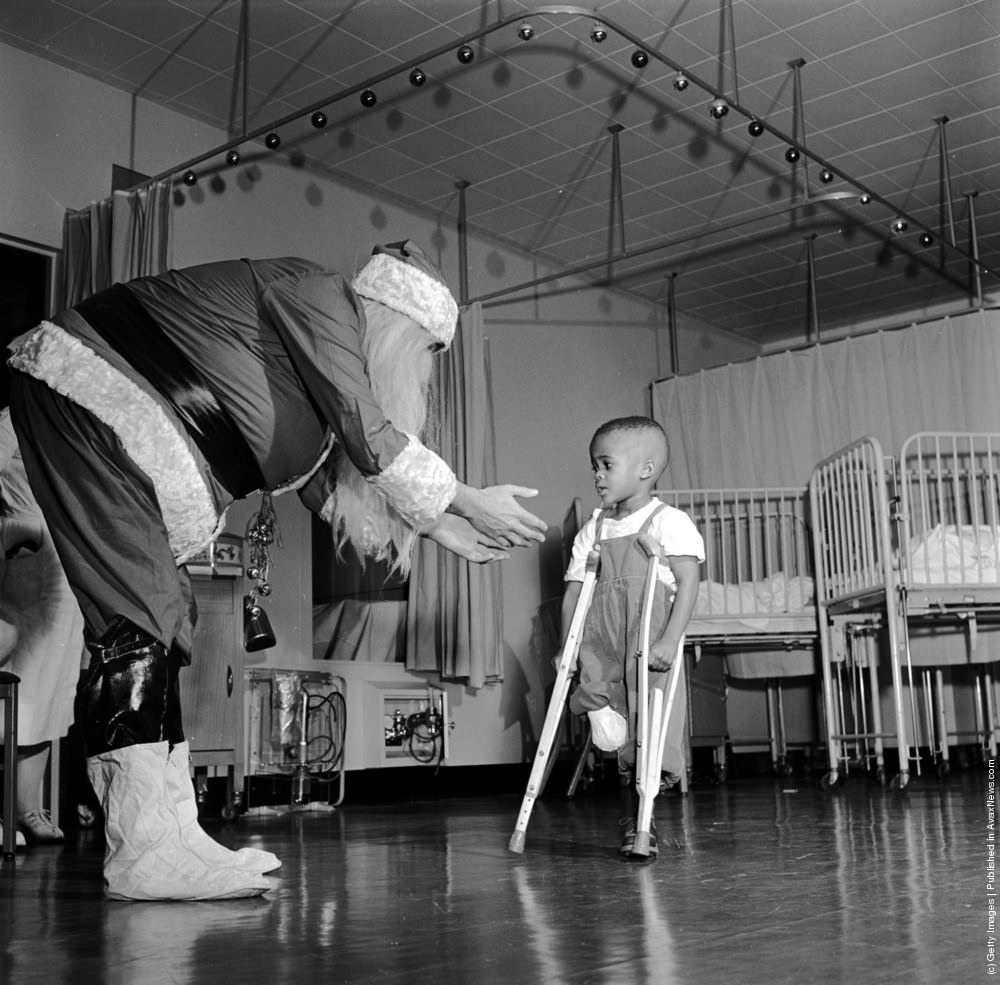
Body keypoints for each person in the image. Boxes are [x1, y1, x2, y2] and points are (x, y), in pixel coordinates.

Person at [6, 240, 546, 900]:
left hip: (116, 420)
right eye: (432, 350)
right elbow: (365, 428)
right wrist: (465, 497)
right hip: (95, 397)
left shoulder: (319, 359)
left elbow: (326, 480)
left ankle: (173, 837)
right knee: (137, 613)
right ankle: (145, 848)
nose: (430, 372)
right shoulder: (321, 295)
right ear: (404, 320)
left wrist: (448, 530)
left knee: (164, 612)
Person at [561, 416, 703, 858]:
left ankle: (643, 818)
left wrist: (669, 640)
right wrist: (567, 644)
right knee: (593, 678)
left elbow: (688, 582)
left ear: (645, 469)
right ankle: (600, 710)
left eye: (605, 465)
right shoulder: (595, 529)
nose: (596, 475)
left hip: (647, 631)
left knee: (649, 727)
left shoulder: (668, 521)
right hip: (603, 631)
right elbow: (573, 593)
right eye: (594, 466)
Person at [0, 409, 85, 847]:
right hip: (28, 560)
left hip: (68, 558)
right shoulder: (12, 419)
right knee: (19, 689)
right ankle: (6, 811)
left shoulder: (69, 423)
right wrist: (18, 527)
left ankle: (26, 808)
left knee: (51, 691)